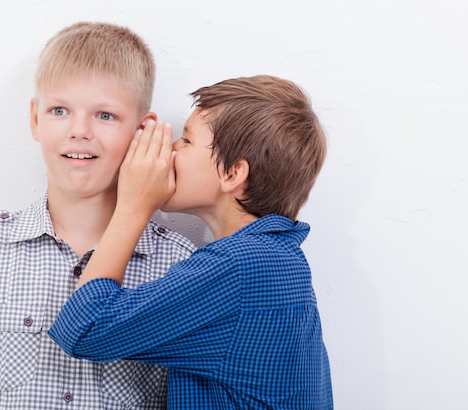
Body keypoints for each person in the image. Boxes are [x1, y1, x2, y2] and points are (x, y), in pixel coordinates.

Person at [0, 21, 196, 410]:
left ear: (142, 130)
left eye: (105, 115)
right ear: (35, 119)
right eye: (60, 110)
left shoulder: (179, 263)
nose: (79, 130)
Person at [49, 75, 334, 409]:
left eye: (185, 140)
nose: (170, 150)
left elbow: (84, 329)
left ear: (232, 175)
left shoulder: (239, 267)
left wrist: (132, 206)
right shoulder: (277, 259)